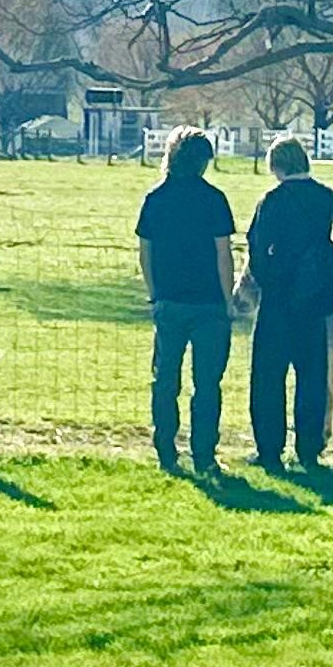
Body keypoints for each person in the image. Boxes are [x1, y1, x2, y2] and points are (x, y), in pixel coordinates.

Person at [244, 137, 333, 472]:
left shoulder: (272, 201)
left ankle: (270, 449)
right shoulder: (325, 198)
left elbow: (257, 250)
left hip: (278, 299)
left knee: (268, 377)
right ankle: (308, 447)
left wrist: (267, 282)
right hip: (314, 298)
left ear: (276, 165)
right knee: (312, 375)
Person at [136, 130, 240, 475]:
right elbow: (222, 254)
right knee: (207, 383)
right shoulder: (214, 199)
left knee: (166, 378)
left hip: (169, 300)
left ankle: (165, 447)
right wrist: (228, 299)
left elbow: (145, 251)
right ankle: (204, 453)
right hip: (209, 302)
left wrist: (154, 292)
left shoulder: (156, 198)